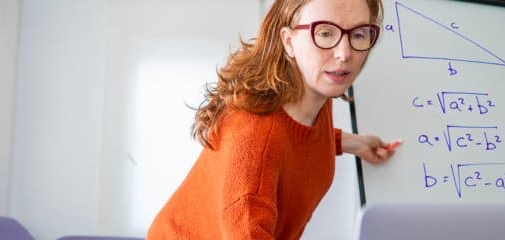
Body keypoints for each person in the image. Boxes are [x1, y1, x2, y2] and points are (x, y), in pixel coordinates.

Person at [147, 0, 401, 238]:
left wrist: (351, 142)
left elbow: (296, 141)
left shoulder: (315, 90)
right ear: (289, 41)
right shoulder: (254, 139)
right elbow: (270, 148)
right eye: (325, 33)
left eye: (358, 34)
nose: (344, 53)